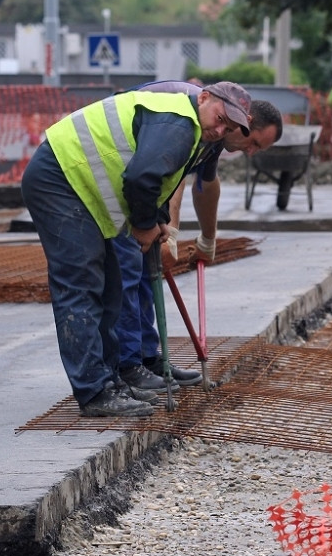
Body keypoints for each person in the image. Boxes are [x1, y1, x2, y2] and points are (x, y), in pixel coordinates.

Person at [21, 81, 253, 417]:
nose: (220, 131)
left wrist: (158, 221)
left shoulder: (195, 134)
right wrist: (144, 226)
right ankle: (94, 391)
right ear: (203, 98)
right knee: (81, 285)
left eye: (228, 128)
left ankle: (111, 381)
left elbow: (159, 180)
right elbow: (141, 178)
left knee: (110, 288)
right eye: (220, 119)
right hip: (59, 179)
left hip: (83, 188)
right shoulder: (179, 124)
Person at [112, 83, 283, 393]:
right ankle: (128, 366)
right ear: (245, 122)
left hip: (141, 180)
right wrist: (172, 233)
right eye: (254, 143)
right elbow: (171, 177)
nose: (251, 153)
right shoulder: (198, 116)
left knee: (146, 270)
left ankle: (147, 358)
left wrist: (208, 239)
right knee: (129, 267)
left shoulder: (217, 134)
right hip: (120, 171)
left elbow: (205, 184)